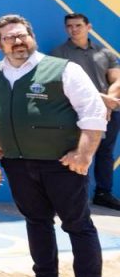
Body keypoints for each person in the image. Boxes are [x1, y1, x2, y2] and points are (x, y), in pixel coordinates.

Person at [0, 14, 108, 277]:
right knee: (36, 221)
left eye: (22, 35)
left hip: (61, 164)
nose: (17, 41)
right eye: (9, 37)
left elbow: (93, 111)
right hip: (17, 163)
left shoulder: (64, 69)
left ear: (32, 36)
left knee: (77, 225)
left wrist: (83, 154)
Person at [50, 13, 120, 210]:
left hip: (110, 112)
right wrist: (100, 101)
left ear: (89, 27)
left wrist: (107, 104)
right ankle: (73, 196)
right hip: (76, 112)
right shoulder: (58, 54)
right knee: (77, 150)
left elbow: (117, 79)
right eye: (69, 26)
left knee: (105, 152)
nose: (74, 29)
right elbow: (60, 84)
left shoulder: (104, 53)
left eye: (78, 25)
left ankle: (103, 193)